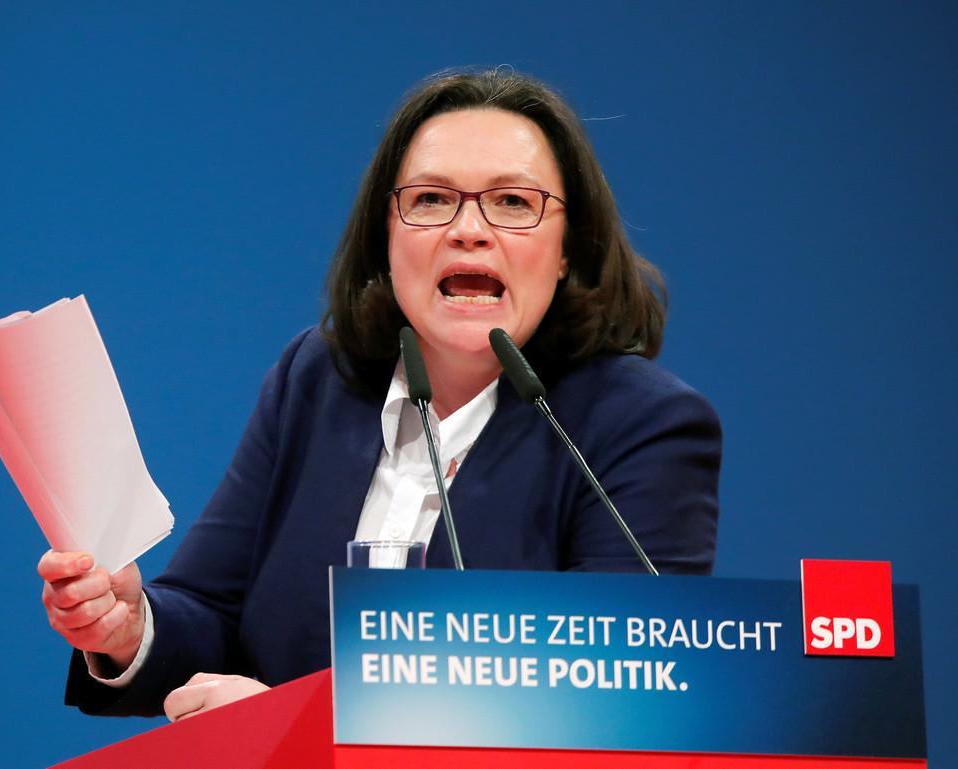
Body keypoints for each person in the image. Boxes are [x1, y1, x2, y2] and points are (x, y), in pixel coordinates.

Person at [39, 69, 722, 722]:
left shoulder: (638, 426)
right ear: (385, 238)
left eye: (513, 202)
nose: (469, 228)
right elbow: (211, 610)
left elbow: (615, 693)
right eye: (431, 199)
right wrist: (132, 628)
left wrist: (299, 724)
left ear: (568, 248)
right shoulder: (315, 378)